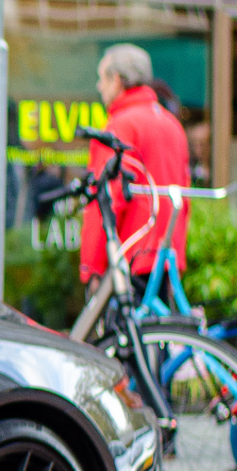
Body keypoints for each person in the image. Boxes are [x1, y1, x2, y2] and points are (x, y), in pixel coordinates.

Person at [71, 43, 192, 342]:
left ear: (118, 80)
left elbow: (107, 202)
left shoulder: (120, 126)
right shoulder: (170, 123)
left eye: (103, 78)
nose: (99, 87)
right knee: (155, 345)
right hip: (165, 254)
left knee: (123, 350)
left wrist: (92, 268)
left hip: (129, 255)